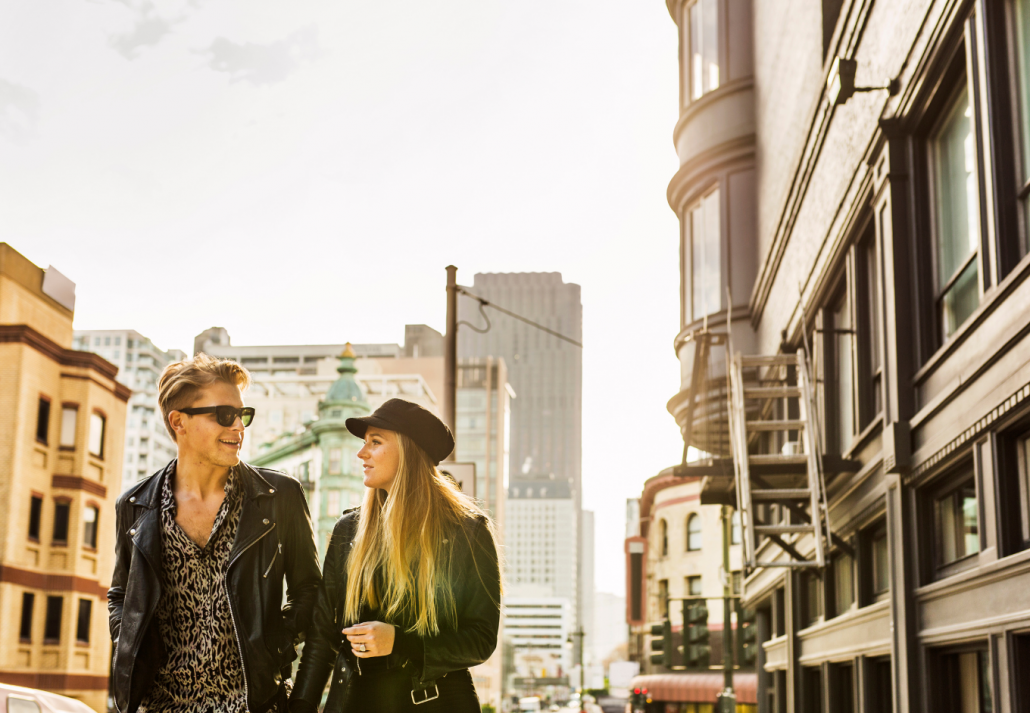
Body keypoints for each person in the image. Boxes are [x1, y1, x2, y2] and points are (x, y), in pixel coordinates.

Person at [107, 354, 322, 713]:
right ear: (179, 422)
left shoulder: (278, 497)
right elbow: (121, 594)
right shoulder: (134, 505)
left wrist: (274, 646)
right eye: (224, 415)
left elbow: (310, 590)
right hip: (161, 705)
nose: (239, 426)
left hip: (254, 704)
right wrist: (128, 639)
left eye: (243, 414)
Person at [290, 398, 501, 713]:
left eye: (375, 442)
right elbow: (322, 637)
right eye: (364, 443)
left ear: (409, 451)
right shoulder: (349, 530)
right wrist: (301, 706)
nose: (362, 453)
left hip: (435, 704)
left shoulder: (466, 531)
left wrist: (400, 642)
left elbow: (481, 639)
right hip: (353, 703)